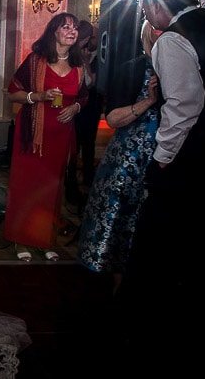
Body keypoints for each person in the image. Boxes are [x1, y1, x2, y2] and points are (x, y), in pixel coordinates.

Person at [121, 0, 205, 375]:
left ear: (155, 5)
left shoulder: (171, 40)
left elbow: (183, 106)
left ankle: (156, 329)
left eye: (147, 6)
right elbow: (197, 24)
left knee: (167, 239)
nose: (146, 15)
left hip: (195, 154)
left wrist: (162, 158)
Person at [77, 22, 160, 289]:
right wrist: (148, 102)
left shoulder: (182, 68)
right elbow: (112, 118)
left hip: (165, 157)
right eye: (157, 31)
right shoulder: (133, 67)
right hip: (130, 157)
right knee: (123, 218)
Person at [3, 12, 87, 261]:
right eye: (66, 28)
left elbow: (85, 97)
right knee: (27, 186)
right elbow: (12, 93)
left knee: (51, 189)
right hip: (31, 137)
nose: (72, 32)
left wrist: (76, 107)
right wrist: (37, 96)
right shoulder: (35, 61)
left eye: (75, 28)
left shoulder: (79, 66)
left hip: (60, 137)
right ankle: (20, 240)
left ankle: (44, 239)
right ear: (54, 32)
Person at [65, 20, 101, 208]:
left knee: (88, 144)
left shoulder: (99, 56)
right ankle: (70, 185)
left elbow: (94, 84)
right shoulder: (73, 55)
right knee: (73, 146)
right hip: (76, 108)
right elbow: (87, 83)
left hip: (90, 108)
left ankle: (87, 180)